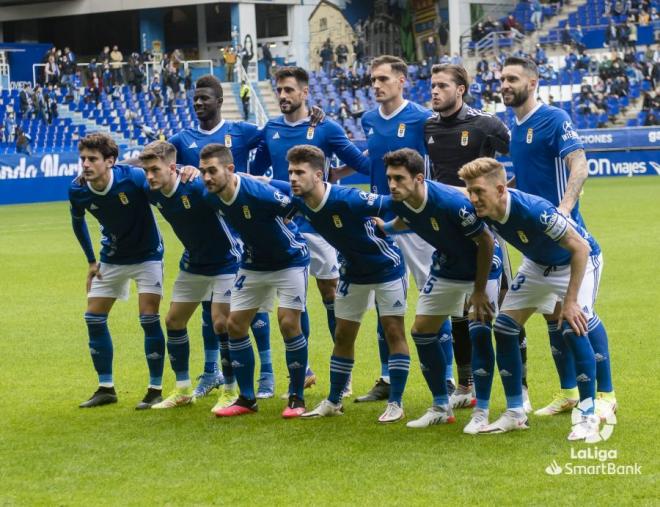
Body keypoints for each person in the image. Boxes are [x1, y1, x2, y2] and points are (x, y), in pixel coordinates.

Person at [459, 157, 607, 441]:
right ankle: (515, 412)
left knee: (572, 326)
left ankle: (588, 416)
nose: (473, 199)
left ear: (501, 190)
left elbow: (580, 248)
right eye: (470, 191)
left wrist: (571, 301)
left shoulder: (535, 211)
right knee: (504, 327)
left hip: (578, 261)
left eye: (479, 191)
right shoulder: (481, 207)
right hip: (537, 264)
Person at [500, 56, 616, 420]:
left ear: (532, 83)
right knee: (551, 319)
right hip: (537, 251)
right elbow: (527, 181)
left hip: (568, 244)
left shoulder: (554, 119)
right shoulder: (514, 126)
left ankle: (606, 395)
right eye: (502, 78)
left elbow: (579, 165)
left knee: (580, 318)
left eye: (512, 78)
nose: (504, 84)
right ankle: (568, 392)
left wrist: (564, 208)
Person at [251, 67, 371, 398]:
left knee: (330, 294)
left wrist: (341, 174)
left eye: (289, 90)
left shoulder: (326, 127)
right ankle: (302, 370)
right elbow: (256, 173)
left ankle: (342, 374)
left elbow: (360, 164)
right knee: (293, 301)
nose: (283, 96)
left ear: (305, 93)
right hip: (285, 225)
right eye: (279, 90)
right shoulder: (270, 129)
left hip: (321, 227)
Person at [377, 148, 513, 433]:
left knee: (479, 331)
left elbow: (487, 243)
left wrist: (478, 292)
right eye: (389, 178)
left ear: (418, 178)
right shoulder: (399, 200)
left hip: (482, 266)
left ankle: (482, 411)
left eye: (399, 178)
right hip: (447, 267)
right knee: (422, 330)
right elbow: (407, 219)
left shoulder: (451, 203)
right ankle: (441, 406)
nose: (392, 185)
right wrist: (387, 227)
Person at [422, 63, 531, 412]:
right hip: (448, 232)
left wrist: (503, 195)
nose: (435, 92)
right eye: (432, 86)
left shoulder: (486, 124)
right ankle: (466, 385)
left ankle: (523, 390)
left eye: (441, 86)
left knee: (504, 307)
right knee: (458, 311)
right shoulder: (429, 126)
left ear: (461, 89)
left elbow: (524, 158)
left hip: (486, 229)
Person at [276, 145, 410, 423]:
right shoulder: (298, 199)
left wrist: (392, 227)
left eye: (299, 172)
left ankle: (396, 402)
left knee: (394, 331)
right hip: (351, 273)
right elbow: (261, 183)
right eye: (290, 172)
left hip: (387, 267)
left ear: (318, 174)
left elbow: (396, 203)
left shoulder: (349, 198)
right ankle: (335, 400)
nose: (292, 178)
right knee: (343, 336)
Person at [166, 74, 275, 399]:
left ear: (219, 101)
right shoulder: (181, 139)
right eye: (195, 98)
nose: (199, 103)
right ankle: (210, 372)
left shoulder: (241, 131)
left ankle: (267, 373)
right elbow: (157, 160)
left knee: (250, 305)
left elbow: (275, 136)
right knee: (207, 306)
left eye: (205, 98)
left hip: (240, 229)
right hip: (204, 231)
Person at [334, 55, 433, 403]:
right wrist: (340, 174)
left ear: (402, 80)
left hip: (416, 221)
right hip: (378, 220)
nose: (376, 85)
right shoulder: (369, 119)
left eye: (382, 79)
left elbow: (430, 170)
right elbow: (372, 160)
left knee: (434, 297)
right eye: (372, 80)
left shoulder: (423, 118)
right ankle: (387, 377)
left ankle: (448, 378)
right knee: (383, 301)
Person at [199, 144, 310, 418]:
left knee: (288, 322)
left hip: (290, 259)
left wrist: (272, 188)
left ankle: (296, 397)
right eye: (203, 172)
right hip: (253, 264)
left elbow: (296, 201)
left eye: (212, 171)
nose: (207, 177)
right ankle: (247, 398)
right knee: (234, 324)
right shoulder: (211, 196)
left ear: (230, 169)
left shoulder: (256, 191)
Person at [138, 141, 243, 408]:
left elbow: (233, 194)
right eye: (146, 170)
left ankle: (231, 390)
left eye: (154, 170)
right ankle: (183, 390)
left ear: (172, 168)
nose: (149, 176)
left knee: (222, 324)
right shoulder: (152, 190)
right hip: (193, 263)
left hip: (226, 261)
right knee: (173, 321)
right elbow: (124, 173)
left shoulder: (196, 187)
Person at [69, 133, 166, 409]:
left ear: (110, 161)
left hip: (148, 255)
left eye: (92, 159)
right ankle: (106, 387)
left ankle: (155, 389)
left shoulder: (132, 179)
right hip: (111, 258)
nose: (85, 164)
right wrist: (91, 261)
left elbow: (162, 191)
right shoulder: (77, 190)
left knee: (149, 319)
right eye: (83, 159)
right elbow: (78, 223)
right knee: (94, 318)